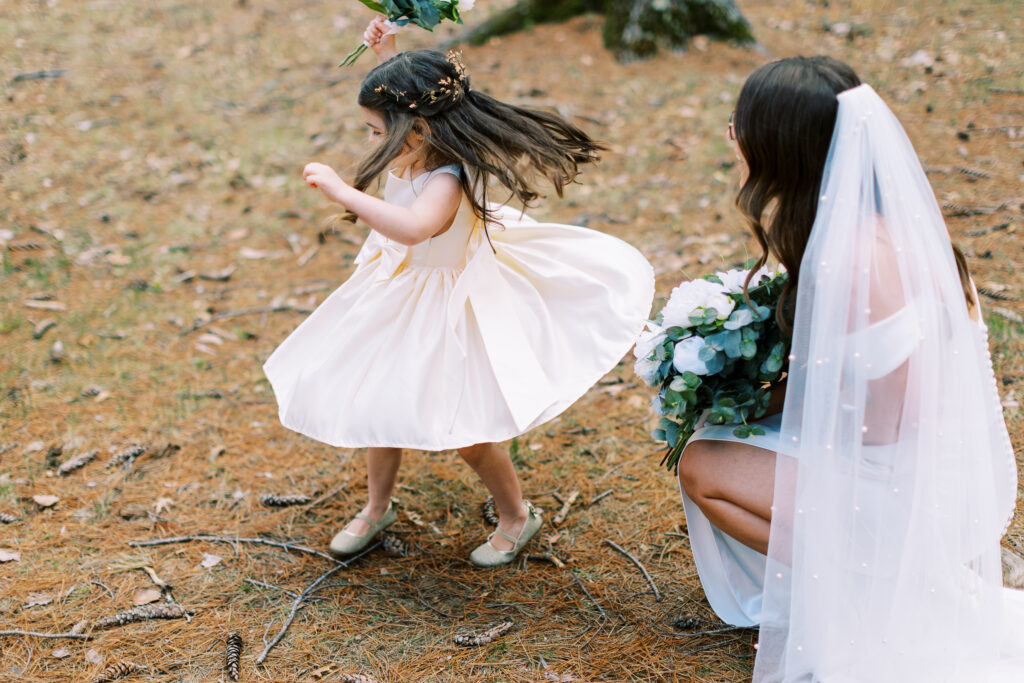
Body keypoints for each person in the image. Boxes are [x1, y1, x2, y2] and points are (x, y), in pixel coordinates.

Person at [676, 56, 1024, 681]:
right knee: (721, 439)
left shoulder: (863, 258)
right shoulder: (871, 222)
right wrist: (755, 396)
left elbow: (898, 416)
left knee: (703, 466)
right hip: (920, 457)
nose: (732, 135)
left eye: (741, 126)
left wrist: (812, 406)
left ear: (783, 148)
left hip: (909, 482)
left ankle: (883, 582)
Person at [263, 20, 654, 567]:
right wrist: (389, 54)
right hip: (400, 291)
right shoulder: (417, 147)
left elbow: (415, 227)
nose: (373, 143)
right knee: (379, 401)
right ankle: (378, 508)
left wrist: (341, 191)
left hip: (450, 304)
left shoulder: (448, 177)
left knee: (468, 430)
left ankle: (517, 515)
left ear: (416, 131)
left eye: (378, 132)